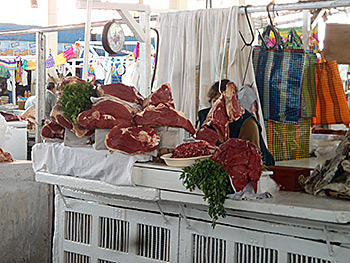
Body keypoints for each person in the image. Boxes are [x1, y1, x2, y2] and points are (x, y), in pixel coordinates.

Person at [198, 79, 275, 166]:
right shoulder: (205, 117)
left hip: (258, 169)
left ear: (233, 102)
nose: (220, 105)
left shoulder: (247, 121)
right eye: (216, 101)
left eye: (225, 101)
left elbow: (252, 156)